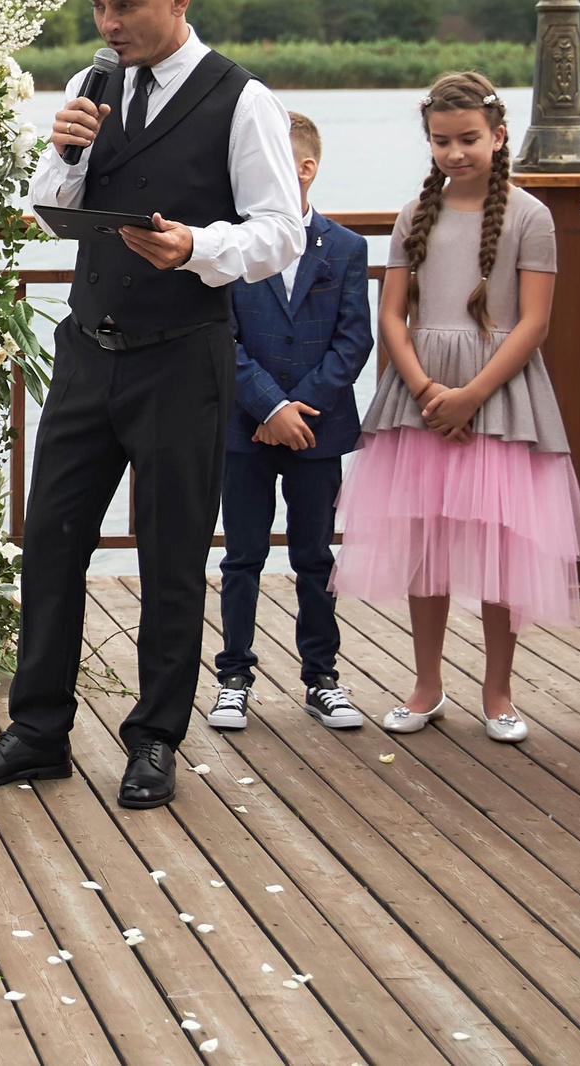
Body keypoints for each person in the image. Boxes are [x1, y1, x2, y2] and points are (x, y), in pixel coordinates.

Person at [0, 0, 303, 810]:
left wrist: (196, 247)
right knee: (52, 543)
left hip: (183, 355)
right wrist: (65, 149)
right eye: (99, 4)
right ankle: (37, 731)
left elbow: (280, 231)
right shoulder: (92, 85)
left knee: (172, 554)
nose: (108, 22)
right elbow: (48, 207)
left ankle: (153, 740)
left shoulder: (240, 99)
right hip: (87, 350)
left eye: (127, 4)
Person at [336, 71, 580, 741]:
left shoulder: (531, 217)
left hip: (500, 396)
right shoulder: (413, 215)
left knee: (503, 546)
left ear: (498, 135)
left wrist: (472, 395)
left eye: (469, 139)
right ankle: (427, 683)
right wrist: (425, 390)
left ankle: (499, 690)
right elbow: (391, 315)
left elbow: (533, 322)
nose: (455, 152)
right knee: (426, 544)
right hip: (420, 397)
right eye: (441, 141)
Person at [208, 111, 371, 734]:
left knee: (315, 556)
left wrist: (300, 407)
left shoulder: (348, 248)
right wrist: (269, 407)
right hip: (244, 429)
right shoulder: (232, 241)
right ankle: (234, 677)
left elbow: (353, 341)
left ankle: (322, 676)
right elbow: (223, 335)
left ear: (303, 168)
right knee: (242, 556)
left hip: (318, 430)